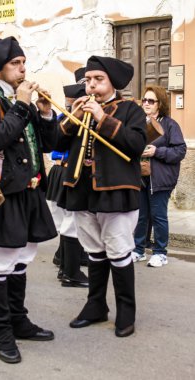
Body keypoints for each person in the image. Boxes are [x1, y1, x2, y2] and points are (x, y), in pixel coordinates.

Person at [0, 36, 58, 364]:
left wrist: (45, 114)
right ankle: (1, 332)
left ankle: (19, 321)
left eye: (23, 62)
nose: (23, 68)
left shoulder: (25, 101)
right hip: (2, 198)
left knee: (20, 261)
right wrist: (21, 103)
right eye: (15, 64)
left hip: (30, 194)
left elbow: (47, 145)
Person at [56, 55, 147, 337]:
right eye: (88, 80)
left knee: (119, 253)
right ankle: (95, 307)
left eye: (98, 80)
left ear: (112, 83)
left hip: (115, 192)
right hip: (82, 190)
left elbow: (135, 145)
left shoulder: (130, 109)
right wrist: (74, 119)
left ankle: (126, 313)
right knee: (94, 252)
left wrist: (101, 118)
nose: (91, 86)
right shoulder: (80, 109)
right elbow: (56, 142)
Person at [132, 85, 187, 267]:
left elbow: (180, 151)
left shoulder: (170, 125)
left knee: (158, 216)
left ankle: (160, 252)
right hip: (141, 177)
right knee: (141, 216)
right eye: (144, 100)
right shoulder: (139, 122)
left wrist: (157, 151)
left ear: (160, 103)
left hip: (160, 179)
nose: (146, 103)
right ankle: (139, 250)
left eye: (151, 101)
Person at [46, 68, 89, 288]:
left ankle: (64, 262)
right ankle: (69, 270)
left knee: (67, 221)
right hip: (64, 171)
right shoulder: (68, 119)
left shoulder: (68, 116)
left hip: (62, 171)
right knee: (69, 221)